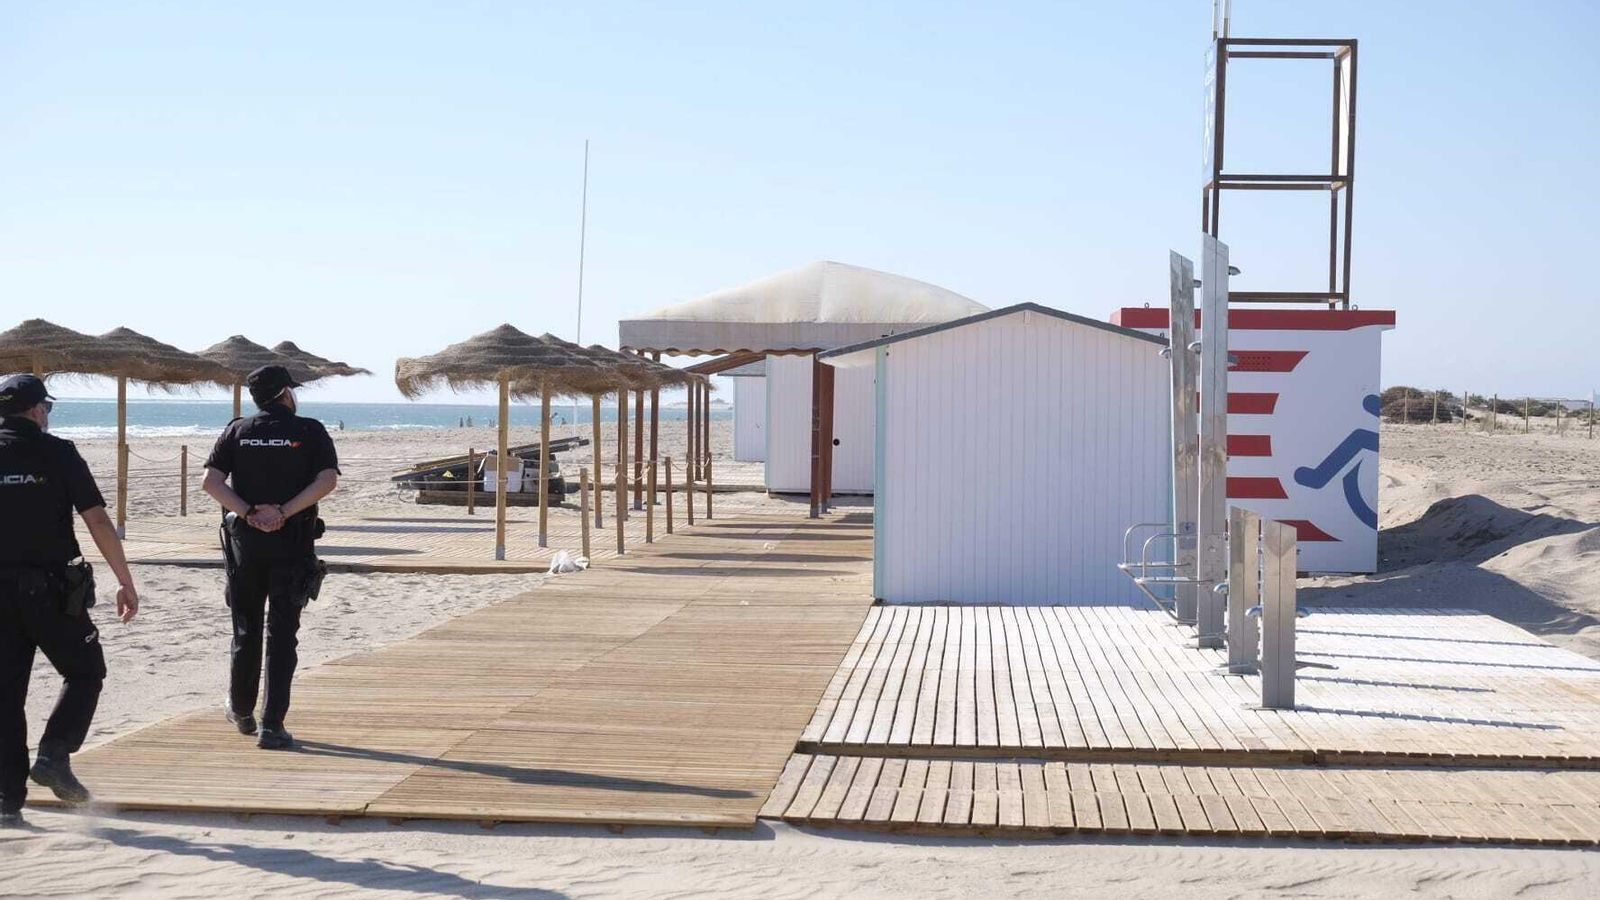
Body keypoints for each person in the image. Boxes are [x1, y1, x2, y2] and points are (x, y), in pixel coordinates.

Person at [0, 375, 139, 828]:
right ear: (37, 410)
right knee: (85, 672)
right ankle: (54, 755)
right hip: (52, 591)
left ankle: (7, 799)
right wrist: (125, 579)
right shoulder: (57, 452)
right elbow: (96, 518)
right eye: (47, 409)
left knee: (6, 695)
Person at [201, 365, 338, 751]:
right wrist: (284, 512)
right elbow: (326, 481)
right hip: (292, 542)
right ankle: (272, 724)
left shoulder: (238, 430)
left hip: (246, 544)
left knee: (246, 629)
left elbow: (211, 483)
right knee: (282, 635)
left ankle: (243, 710)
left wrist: (248, 513)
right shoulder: (309, 430)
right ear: (285, 394)